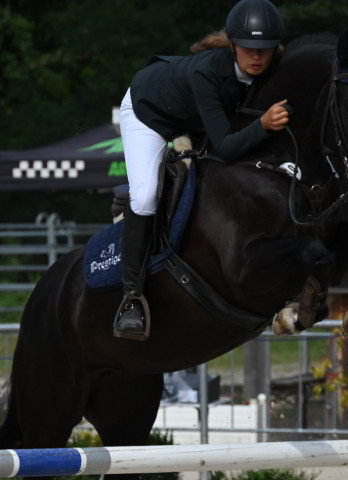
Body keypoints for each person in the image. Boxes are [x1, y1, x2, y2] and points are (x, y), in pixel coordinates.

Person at [115, 0, 290, 339]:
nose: (257, 58)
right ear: (234, 45)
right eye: (250, 49)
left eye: (265, 51)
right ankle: (131, 298)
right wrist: (264, 126)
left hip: (192, 114)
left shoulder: (267, 69)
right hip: (148, 112)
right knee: (148, 194)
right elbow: (225, 146)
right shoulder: (206, 72)